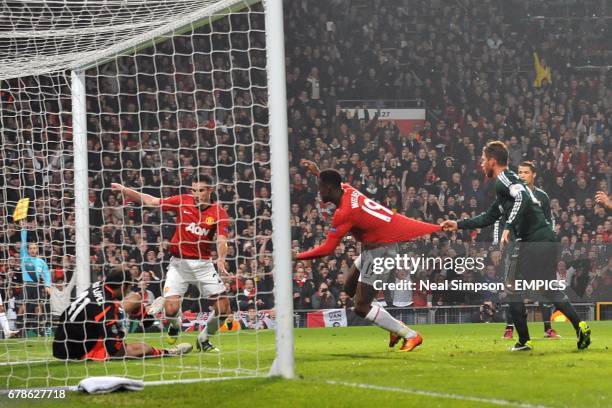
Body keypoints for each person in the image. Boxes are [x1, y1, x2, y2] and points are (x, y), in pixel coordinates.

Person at [441, 141, 591, 351]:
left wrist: (508, 227)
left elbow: (521, 196)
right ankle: (581, 326)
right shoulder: (503, 189)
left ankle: (523, 341)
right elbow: (488, 217)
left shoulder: (505, 178)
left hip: (533, 240)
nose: (482, 163)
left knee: (512, 287)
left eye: (484, 160)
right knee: (547, 288)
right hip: (545, 239)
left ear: (493, 161)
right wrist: (458, 224)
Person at [295, 160, 441, 352]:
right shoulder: (346, 189)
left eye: (320, 187)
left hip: (381, 252)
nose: (318, 192)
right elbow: (335, 181)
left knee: (361, 307)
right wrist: (318, 173)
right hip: (374, 249)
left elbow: (327, 249)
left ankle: (411, 335)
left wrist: (296, 256)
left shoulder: (345, 212)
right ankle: (393, 327)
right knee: (348, 288)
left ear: (329, 188)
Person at [112, 174, 231, 352]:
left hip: (203, 265)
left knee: (223, 309)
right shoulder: (182, 201)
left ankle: (204, 339)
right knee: (171, 309)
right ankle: (175, 325)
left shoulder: (219, 212)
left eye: (201, 190)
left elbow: (222, 239)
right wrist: (125, 191)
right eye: (194, 190)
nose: (196, 194)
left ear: (210, 190)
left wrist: (221, 258)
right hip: (179, 265)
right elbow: (152, 201)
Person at [52, 271, 192, 360]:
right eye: (128, 288)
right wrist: (120, 332)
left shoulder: (97, 286)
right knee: (141, 348)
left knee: (135, 298)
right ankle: (168, 352)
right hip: (76, 350)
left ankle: (147, 317)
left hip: (64, 339)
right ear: (123, 286)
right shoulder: (105, 308)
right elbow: (115, 349)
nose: (128, 291)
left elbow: (113, 305)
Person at [498, 161, 560, 340]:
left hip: (539, 250)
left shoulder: (543, 196)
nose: (522, 175)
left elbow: (549, 222)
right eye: (520, 172)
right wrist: (500, 242)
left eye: (526, 172)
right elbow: (502, 221)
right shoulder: (512, 195)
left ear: (534, 175)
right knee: (513, 289)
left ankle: (548, 329)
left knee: (544, 287)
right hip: (517, 248)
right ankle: (509, 328)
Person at [19, 222, 52, 336]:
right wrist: (24, 229)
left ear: (37, 250)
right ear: (28, 250)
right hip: (26, 286)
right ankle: (20, 330)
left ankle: (40, 329)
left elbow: (46, 274)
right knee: (23, 307)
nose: (33, 250)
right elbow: (23, 243)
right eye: (31, 248)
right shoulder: (24, 257)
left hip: (37, 286)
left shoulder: (41, 262)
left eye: (35, 248)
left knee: (38, 306)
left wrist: (47, 286)